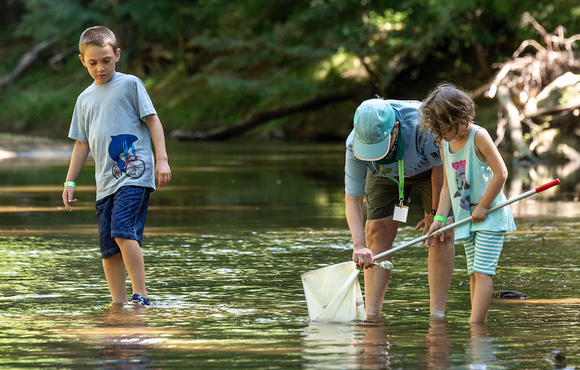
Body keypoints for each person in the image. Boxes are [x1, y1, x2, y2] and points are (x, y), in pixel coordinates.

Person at [61, 26, 171, 306]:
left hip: (136, 174)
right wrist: (69, 182)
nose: (100, 68)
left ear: (117, 55)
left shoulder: (130, 84)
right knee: (109, 248)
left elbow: (153, 120)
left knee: (123, 230)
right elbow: (81, 144)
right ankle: (118, 304)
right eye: (94, 62)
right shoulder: (84, 99)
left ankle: (141, 296)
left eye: (106, 61)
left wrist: (162, 159)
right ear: (82, 60)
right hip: (105, 183)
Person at [344, 97, 455, 318]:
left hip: (430, 170)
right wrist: (358, 246)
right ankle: (372, 316)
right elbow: (353, 198)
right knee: (374, 231)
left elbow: (440, 170)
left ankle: (437, 316)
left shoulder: (422, 124)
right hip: (384, 175)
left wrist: (434, 214)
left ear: (395, 128)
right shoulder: (353, 144)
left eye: (379, 146)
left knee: (441, 232)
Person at [421, 83, 516, 323]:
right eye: (437, 129)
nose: (440, 133)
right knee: (473, 273)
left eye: (444, 127)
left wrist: (483, 206)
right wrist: (440, 218)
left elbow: (501, 173)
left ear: (460, 117)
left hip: (490, 215)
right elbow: (446, 187)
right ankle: (478, 325)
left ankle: (475, 326)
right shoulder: (444, 144)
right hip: (466, 217)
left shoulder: (479, 136)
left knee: (483, 272)